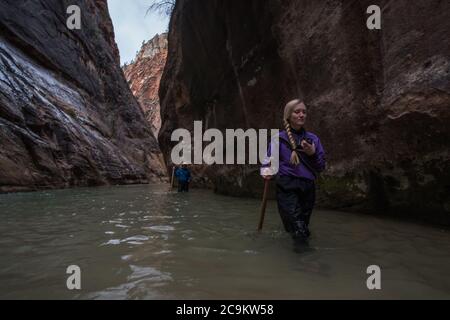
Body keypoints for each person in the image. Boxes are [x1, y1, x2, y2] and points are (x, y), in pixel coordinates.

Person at [261, 99, 326, 241]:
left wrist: (312, 153)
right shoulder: (278, 139)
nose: (301, 115)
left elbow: (320, 167)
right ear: (289, 116)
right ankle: (306, 259)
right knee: (299, 227)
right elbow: (268, 163)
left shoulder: (313, 139)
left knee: (301, 227)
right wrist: (267, 172)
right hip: (287, 187)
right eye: (297, 112)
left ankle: (298, 258)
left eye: (304, 112)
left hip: (308, 188)